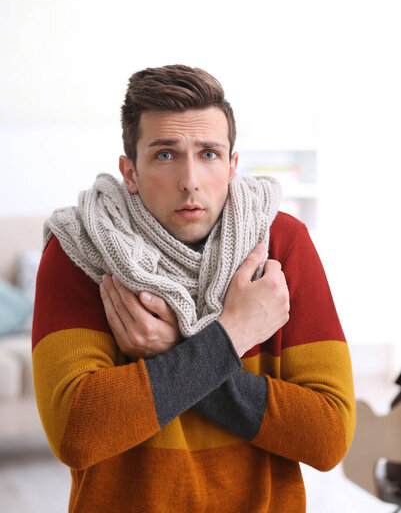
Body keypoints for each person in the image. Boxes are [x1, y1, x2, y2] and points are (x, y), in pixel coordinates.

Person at [32, 64, 355, 513]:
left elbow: (328, 435)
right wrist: (231, 337)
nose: (190, 180)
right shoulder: (81, 247)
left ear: (232, 165)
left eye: (208, 154)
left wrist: (175, 350)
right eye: (165, 154)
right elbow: (77, 431)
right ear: (130, 171)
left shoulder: (281, 243)